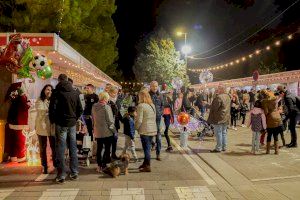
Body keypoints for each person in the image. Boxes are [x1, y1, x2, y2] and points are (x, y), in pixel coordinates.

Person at [49, 74, 83, 183]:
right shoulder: (75, 92)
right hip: (72, 123)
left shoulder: (56, 93)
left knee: (60, 148)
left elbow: (52, 109)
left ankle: (61, 174)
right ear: (68, 80)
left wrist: (53, 120)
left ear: (59, 80)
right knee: (73, 147)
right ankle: (74, 172)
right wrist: (74, 118)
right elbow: (80, 109)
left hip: (60, 123)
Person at [92, 92, 116, 172]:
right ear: (106, 98)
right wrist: (114, 131)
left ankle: (99, 166)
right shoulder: (106, 107)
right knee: (107, 148)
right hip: (107, 132)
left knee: (99, 149)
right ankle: (104, 165)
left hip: (98, 131)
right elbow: (110, 121)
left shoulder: (94, 106)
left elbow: (93, 118)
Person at [35, 84, 56, 174]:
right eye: (47, 90)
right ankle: (44, 165)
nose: (49, 92)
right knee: (43, 147)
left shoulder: (54, 100)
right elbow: (40, 109)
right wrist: (51, 110)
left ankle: (55, 164)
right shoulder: (40, 99)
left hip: (51, 127)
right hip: (41, 126)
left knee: (54, 146)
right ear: (44, 90)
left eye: (51, 90)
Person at [135, 89, 157, 172]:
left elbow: (139, 120)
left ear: (141, 96)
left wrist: (136, 128)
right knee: (147, 147)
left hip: (145, 130)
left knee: (146, 149)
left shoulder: (141, 106)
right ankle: (145, 163)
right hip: (152, 129)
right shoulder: (152, 105)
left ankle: (147, 166)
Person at [207, 85, 231, 153]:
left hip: (219, 118)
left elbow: (214, 108)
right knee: (224, 133)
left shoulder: (219, 97)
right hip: (226, 117)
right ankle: (224, 147)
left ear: (221, 89)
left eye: (218, 89)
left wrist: (206, 105)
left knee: (219, 133)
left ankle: (218, 148)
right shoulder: (228, 96)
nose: (217, 90)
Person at [261, 90, 282, 154]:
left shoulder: (265, 102)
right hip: (278, 118)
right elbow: (278, 107)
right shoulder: (275, 99)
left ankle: (268, 151)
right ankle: (276, 151)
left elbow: (266, 112)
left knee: (269, 135)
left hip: (271, 119)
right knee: (276, 135)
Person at [149, 81, 163, 161]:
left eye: (156, 86)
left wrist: (161, 113)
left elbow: (162, 105)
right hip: (149, 119)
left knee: (158, 137)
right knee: (149, 137)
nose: (155, 88)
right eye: (153, 86)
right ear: (150, 87)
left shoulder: (160, 95)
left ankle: (158, 154)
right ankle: (152, 145)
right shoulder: (147, 95)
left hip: (158, 118)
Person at [108, 86, 121, 160]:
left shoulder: (118, 100)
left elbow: (119, 112)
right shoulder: (108, 101)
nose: (115, 94)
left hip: (116, 123)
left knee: (115, 139)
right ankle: (108, 154)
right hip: (109, 123)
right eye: (113, 93)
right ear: (110, 92)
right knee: (109, 139)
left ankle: (113, 154)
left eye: (116, 93)